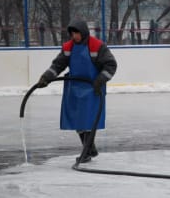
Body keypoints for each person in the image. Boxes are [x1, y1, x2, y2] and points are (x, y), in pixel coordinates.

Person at [37, 20, 117, 163]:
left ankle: (86, 153)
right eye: (72, 33)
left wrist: (100, 80)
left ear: (84, 32)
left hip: (93, 88)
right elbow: (58, 65)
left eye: (77, 33)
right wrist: (46, 77)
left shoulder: (97, 46)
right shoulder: (69, 47)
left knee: (89, 121)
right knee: (78, 122)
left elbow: (111, 65)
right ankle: (90, 149)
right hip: (74, 88)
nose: (75, 36)